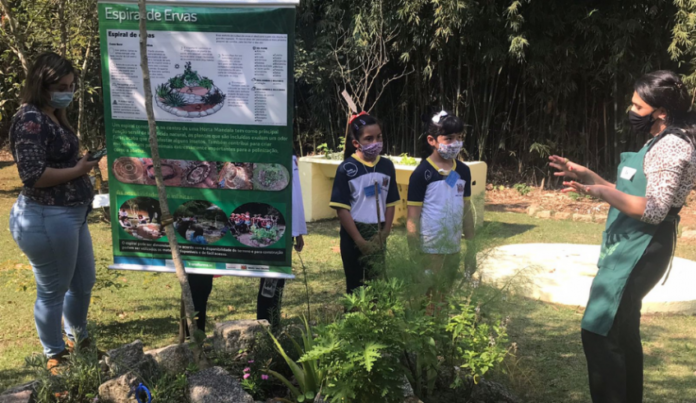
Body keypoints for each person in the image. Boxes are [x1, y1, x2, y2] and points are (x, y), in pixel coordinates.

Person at [550, 70, 696, 403]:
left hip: (643, 247)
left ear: (660, 110)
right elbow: (632, 192)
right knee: (624, 330)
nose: (630, 110)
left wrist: (600, 191)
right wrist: (588, 177)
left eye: (637, 105)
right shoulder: (659, 140)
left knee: (598, 330)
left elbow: (654, 209)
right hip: (634, 243)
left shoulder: (672, 145)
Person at [8, 52, 102, 372]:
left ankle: (79, 338)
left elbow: (60, 162)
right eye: (62, 85)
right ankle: (55, 356)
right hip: (47, 217)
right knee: (52, 291)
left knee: (83, 282)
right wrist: (80, 170)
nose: (68, 91)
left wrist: (81, 165)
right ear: (41, 84)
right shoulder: (30, 118)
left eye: (72, 85)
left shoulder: (53, 114)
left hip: (71, 215)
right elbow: (33, 175)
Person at [407, 111, 475, 299]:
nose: (456, 143)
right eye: (449, 138)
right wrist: (414, 254)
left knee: (445, 294)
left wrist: (472, 247)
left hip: (453, 247)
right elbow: (413, 217)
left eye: (459, 137)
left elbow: (466, 211)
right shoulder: (422, 173)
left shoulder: (463, 171)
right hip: (430, 249)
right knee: (429, 296)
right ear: (432, 140)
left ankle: (441, 326)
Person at [330, 112, 400, 294]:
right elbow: (342, 209)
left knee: (377, 286)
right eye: (369, 139)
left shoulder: (387, 166)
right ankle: (354, 320)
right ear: (356, 143)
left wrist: (385, 232)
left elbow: (391, 202)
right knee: (356, 287)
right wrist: (360, 241)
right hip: (354, 235)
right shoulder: (346, 169)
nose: (375, 142)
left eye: (379, 137)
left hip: (378, 232)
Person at [257, 153, 308, 330]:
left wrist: (298, 231)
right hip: (269, 225)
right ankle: (264, 321)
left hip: (286, 228)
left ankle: (274, 319)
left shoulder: (292, 157)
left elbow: (296, 197)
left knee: (279, 278)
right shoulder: (268, 155)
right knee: (269, 277)